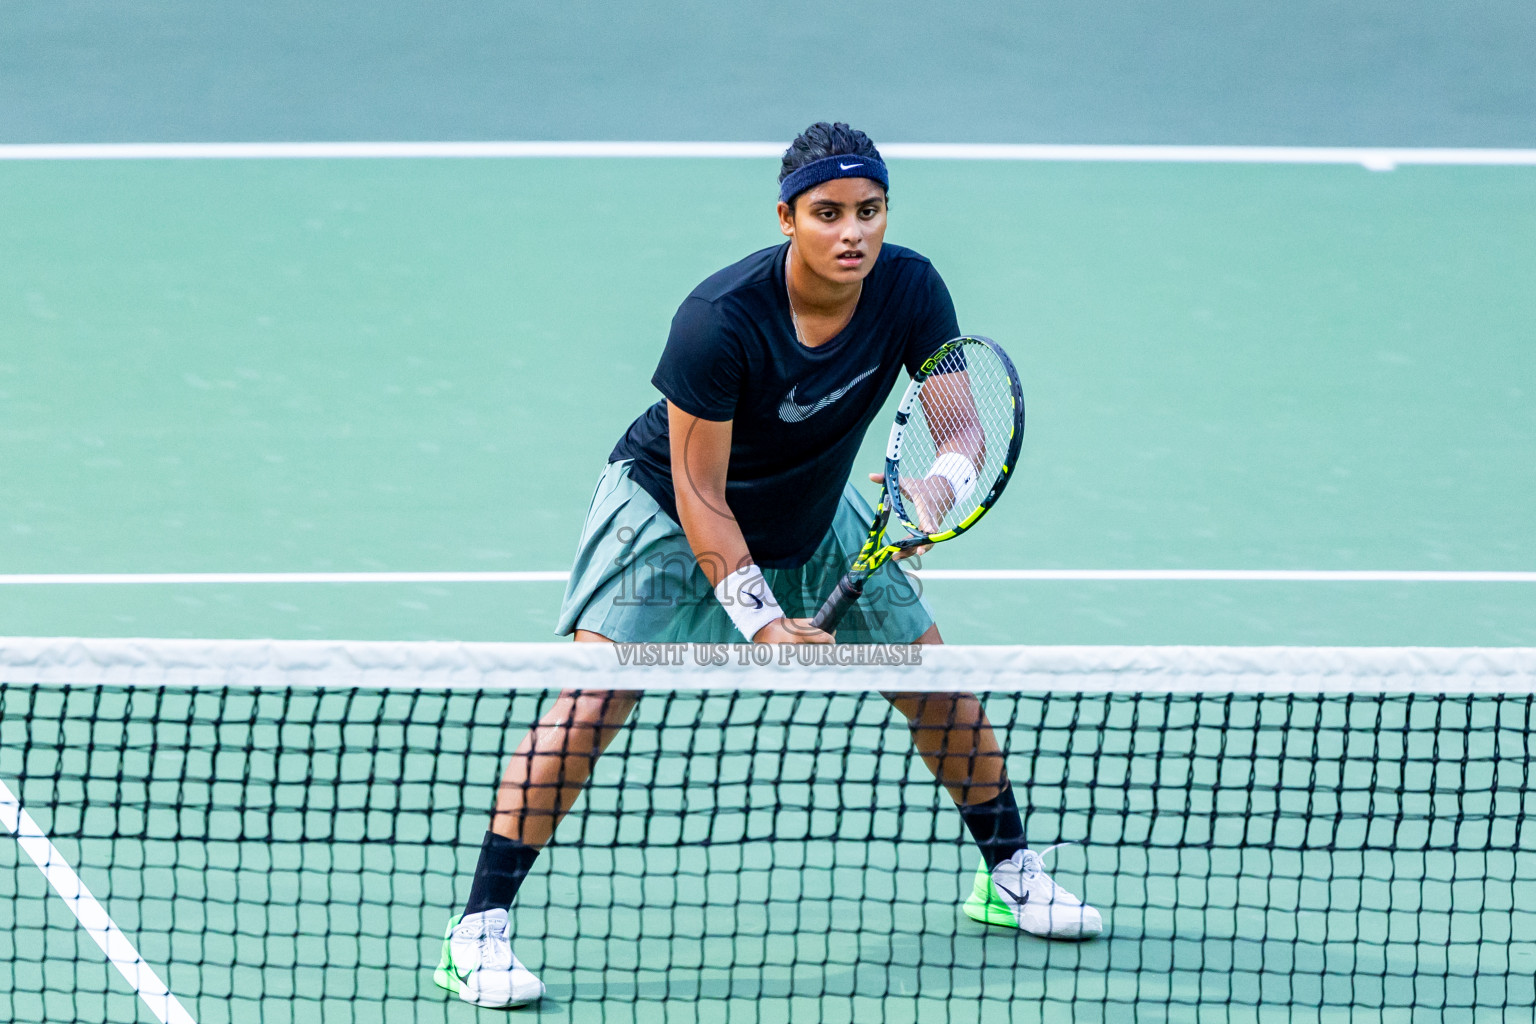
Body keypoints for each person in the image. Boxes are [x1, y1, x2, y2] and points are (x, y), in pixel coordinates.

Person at [433, 122, 1102, 1009]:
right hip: (668, 514)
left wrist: (933, 498)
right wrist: (758, 618)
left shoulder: (909, 288)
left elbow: (962, 428)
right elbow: (702, 493)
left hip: (820, 510)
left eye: (870, 211)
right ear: (788, 217)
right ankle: (478, 929)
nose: (852, 232)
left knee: (937, 683)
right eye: (829, 213)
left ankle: (1008, 873)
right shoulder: (718, 323)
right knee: (595, 700)